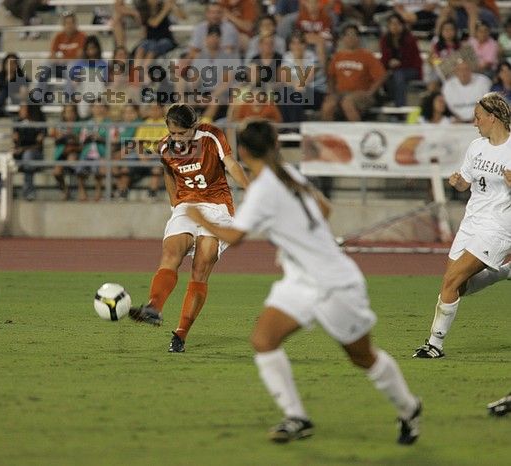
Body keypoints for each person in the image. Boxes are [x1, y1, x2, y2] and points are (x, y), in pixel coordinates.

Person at [186, 119, 422, 445]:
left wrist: (197, 216)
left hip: (334, 283)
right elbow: (325, 208)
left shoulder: (265, 187)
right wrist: (298, 242)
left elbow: (234, 237)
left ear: (243, 152)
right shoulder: (289, 174)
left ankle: (409, 408)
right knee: (263, 339)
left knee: (362, 356)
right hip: (301, 280)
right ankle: (296, 416)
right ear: (275, 146)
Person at [128, 104, 250, 353]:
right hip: (186, 206)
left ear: (193, 128)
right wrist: (175, 204)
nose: (177, 139)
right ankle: (154, 307)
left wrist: (253, 189)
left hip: (217, 208)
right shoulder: (164, 147)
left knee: (201, 266)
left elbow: (231, 164)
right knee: (171, 253)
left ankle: (180, 335)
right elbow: (168, 172)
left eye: (182, 134)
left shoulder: (210, 135)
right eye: (173, 134)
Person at [412, 92, 511, 359]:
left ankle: (434, 344)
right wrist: (457, 183)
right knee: (461, 286)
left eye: (477, 117)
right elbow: (466, 182)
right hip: (471, 222)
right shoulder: (476, 146)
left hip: (499, 226)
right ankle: (503, 272)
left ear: (493, 117)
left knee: (450, 280)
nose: (474, 123)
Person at [379, 13, 422, 107]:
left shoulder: (410, 39)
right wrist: (389, 63)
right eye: (392, 24)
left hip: (411, 69)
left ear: (402, 25)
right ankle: (385, 100)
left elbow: (414, 61)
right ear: (388, 26)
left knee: (398, 75)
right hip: (392, 70)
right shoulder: (385, 40)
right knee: (383, 75)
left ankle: (399, 109)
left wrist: (399, 64)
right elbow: (384, 59)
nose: (395, 26)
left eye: (398, 23)